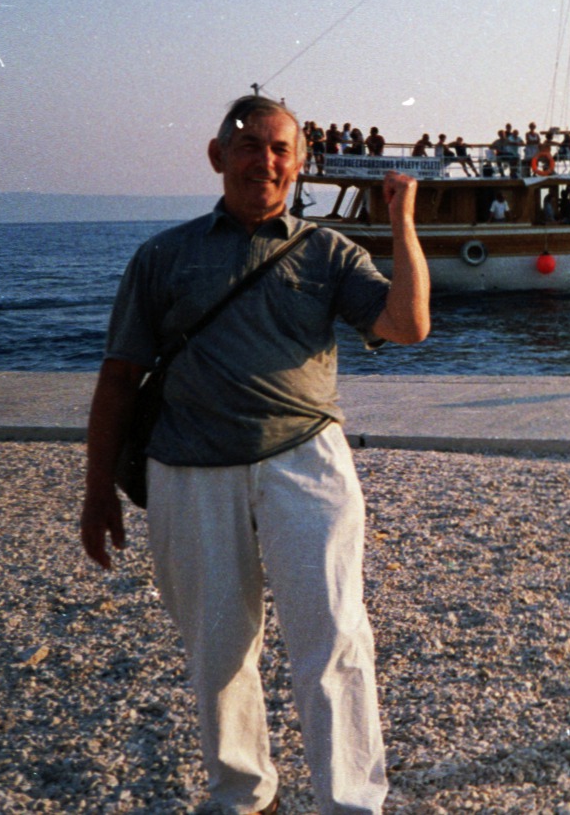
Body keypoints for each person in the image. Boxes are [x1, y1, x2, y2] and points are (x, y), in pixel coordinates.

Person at [79, 95, 429, 815]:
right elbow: (118, 378)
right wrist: (96, 490)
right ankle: (242, 794)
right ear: (216, 156)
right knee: (217, 644)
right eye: (247, 145)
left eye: (279, 149)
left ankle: (350, 801)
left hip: (307, 464)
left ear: (298, 164)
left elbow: (408, 323)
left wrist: (400, 222)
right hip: (188, 470)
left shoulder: (327, 251)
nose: (263, 161)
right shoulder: (163, 256)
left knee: (333, 634)